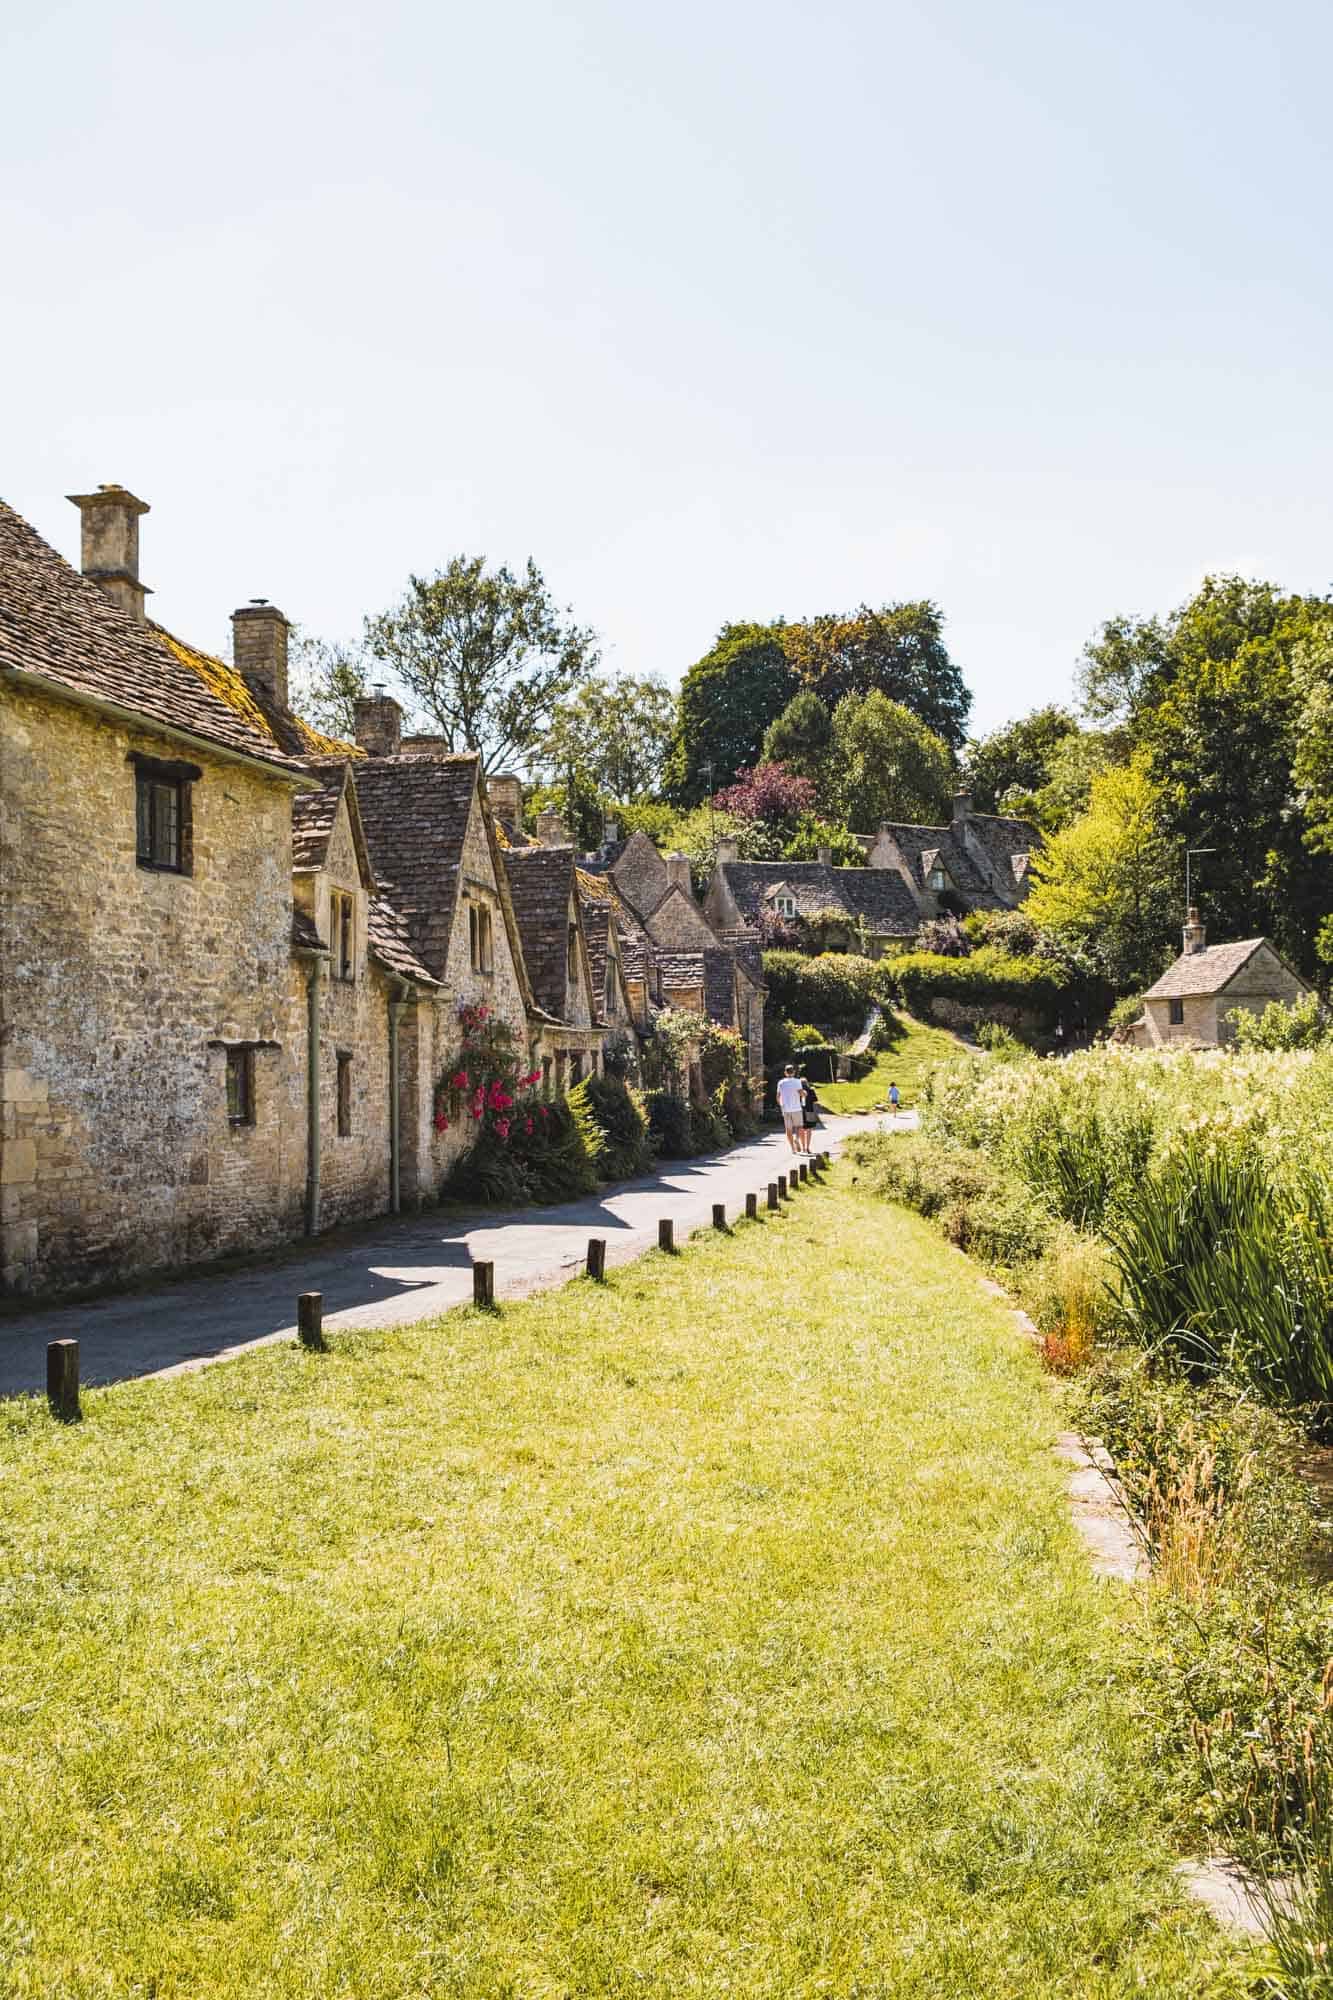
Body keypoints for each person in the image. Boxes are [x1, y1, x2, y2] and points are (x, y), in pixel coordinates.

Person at [775, 1063, 804, 1153]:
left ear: (785, 1073)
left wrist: (781, 1106)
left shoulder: (781, 1082)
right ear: (794, 1072)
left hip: (786, 1109)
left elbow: (778, 1096)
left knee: (788, 1129)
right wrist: (805, 1094)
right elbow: (801, 1093)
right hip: (796, 1108)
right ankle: (797, 1138)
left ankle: (792, 1148)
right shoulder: (797, 1081)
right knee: (799, 1126)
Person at [800, 1072, 821, 1152]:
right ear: (807, 1083)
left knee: (801, 1129)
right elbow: (815, 1100)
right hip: (810, 1111)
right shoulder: (811, 1090)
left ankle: (803, 1147)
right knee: (809, 1130)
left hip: (800, 1111)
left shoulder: (798, 1091)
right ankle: (807, 1147)